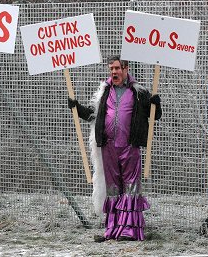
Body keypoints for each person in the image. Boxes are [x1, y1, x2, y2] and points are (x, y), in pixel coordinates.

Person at [68, 56, 162, 242]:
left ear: (126, 69)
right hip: (108, 147)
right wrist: (76, 107)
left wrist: (156, 103)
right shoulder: (104, 91)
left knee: (131, 187)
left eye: (117, 68)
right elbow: (92, 114)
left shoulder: (138, 92)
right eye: (111, 68)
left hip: (130, 146)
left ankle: (130, 229)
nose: (114, 72)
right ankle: (112, 229)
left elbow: (155, 115)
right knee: (112, 188)